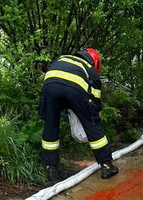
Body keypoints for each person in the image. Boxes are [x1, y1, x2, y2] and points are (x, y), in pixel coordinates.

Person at [38, 48, 118, 181]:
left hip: (49, 87)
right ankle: (107, 166)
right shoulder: (89, 68)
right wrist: (93, 114)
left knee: (50, 126)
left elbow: (57, 83)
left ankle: (50, 169)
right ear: (95, 62)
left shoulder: (62, 58)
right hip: (74, 90)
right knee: (92, 124)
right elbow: (95, 100)